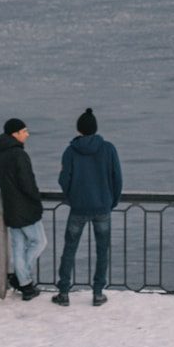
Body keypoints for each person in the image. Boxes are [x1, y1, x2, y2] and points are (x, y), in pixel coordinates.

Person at [51, 107, 122, 308]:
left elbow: (64, 179)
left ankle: (64, 292)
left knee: (69, 249)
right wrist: (112, 201)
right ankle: (98, 292)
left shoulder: (71, 151)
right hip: (102, 207)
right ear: (95, 128)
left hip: (79, 208)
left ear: (79, 130)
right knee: (102, 251)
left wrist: (72, 198)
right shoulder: (108, 149)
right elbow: (117, 178)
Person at [0, 118, 46, 301]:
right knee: (39, 242)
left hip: (10, 206)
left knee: (18, 245)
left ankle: (25, 285)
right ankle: (21, 278)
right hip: (25, 207)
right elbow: (27, 183)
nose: (27, 134)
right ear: (14, 134)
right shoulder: (19, 155)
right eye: (24, 131)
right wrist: (36, 198)